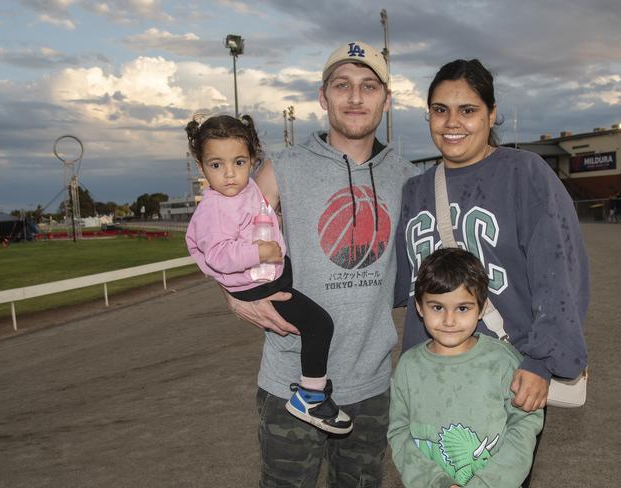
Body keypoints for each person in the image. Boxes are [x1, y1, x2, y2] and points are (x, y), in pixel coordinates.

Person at [224, 41, 419, 486]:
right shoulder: (282, 168)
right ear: (322, 96)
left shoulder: (407, 177)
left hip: (369, 386)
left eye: (369, 86)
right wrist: (232, 296)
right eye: (342, 85)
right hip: (290, 383)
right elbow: (219, 233)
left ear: (386, 100)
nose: (355, 97)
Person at [394, 59, 589, 486]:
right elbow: (394, 284)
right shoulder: (415, 190)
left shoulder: (524, 173)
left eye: (468, 110)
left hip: (505, 378)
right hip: (430, 375)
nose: (452, 122)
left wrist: (541, 361)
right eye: (440, 109)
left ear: (492, 114)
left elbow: (561, 273)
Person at [185, 114, 352, 434]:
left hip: (266, 273)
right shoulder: (213, 208)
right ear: (200, 165)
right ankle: (311, 396)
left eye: (239, 162)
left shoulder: (244, 189)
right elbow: (219, 256)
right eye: (216, 165)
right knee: (319, 324)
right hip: (253, 285)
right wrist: (259, 252)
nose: (230, 174)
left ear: (253, 159)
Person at [388, 248, 544, 487]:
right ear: (419, 307)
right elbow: (399, 431)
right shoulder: (408, 366)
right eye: (437, 307)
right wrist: (434, 482)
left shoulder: (503, 362)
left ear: (481, 309)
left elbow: (524, 424)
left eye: (463, 308)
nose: (449, 321)